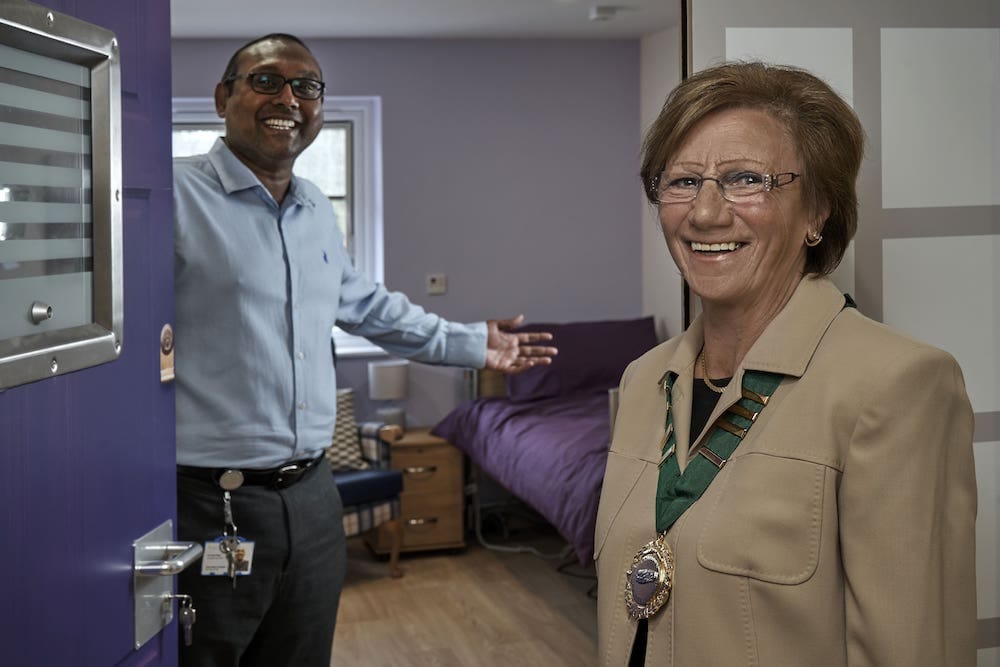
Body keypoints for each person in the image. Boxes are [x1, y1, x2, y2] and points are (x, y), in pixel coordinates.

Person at [172, 33, 556, 667]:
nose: (288, 99)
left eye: (306, 87)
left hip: (313, 494)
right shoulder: (173, 196)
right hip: (212, 500)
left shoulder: (315, 208)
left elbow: (368, 306)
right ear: (222, 98)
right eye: (266, 81)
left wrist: (469, 342)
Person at [595, 61, 976, 666]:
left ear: (817, 212)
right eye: (684, 181)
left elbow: (912, 649)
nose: (705, 213)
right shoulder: (644, 381)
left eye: (746, 179)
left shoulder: (896, 386)